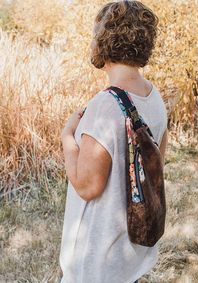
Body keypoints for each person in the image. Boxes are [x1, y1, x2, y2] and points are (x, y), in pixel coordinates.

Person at [59, 1, 168, 282]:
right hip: (130, 252)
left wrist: (67, 137)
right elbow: (156, 172)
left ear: (104, 39)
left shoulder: (105, 105)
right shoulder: (155, 99)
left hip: (98, 260)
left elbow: (87, 185)